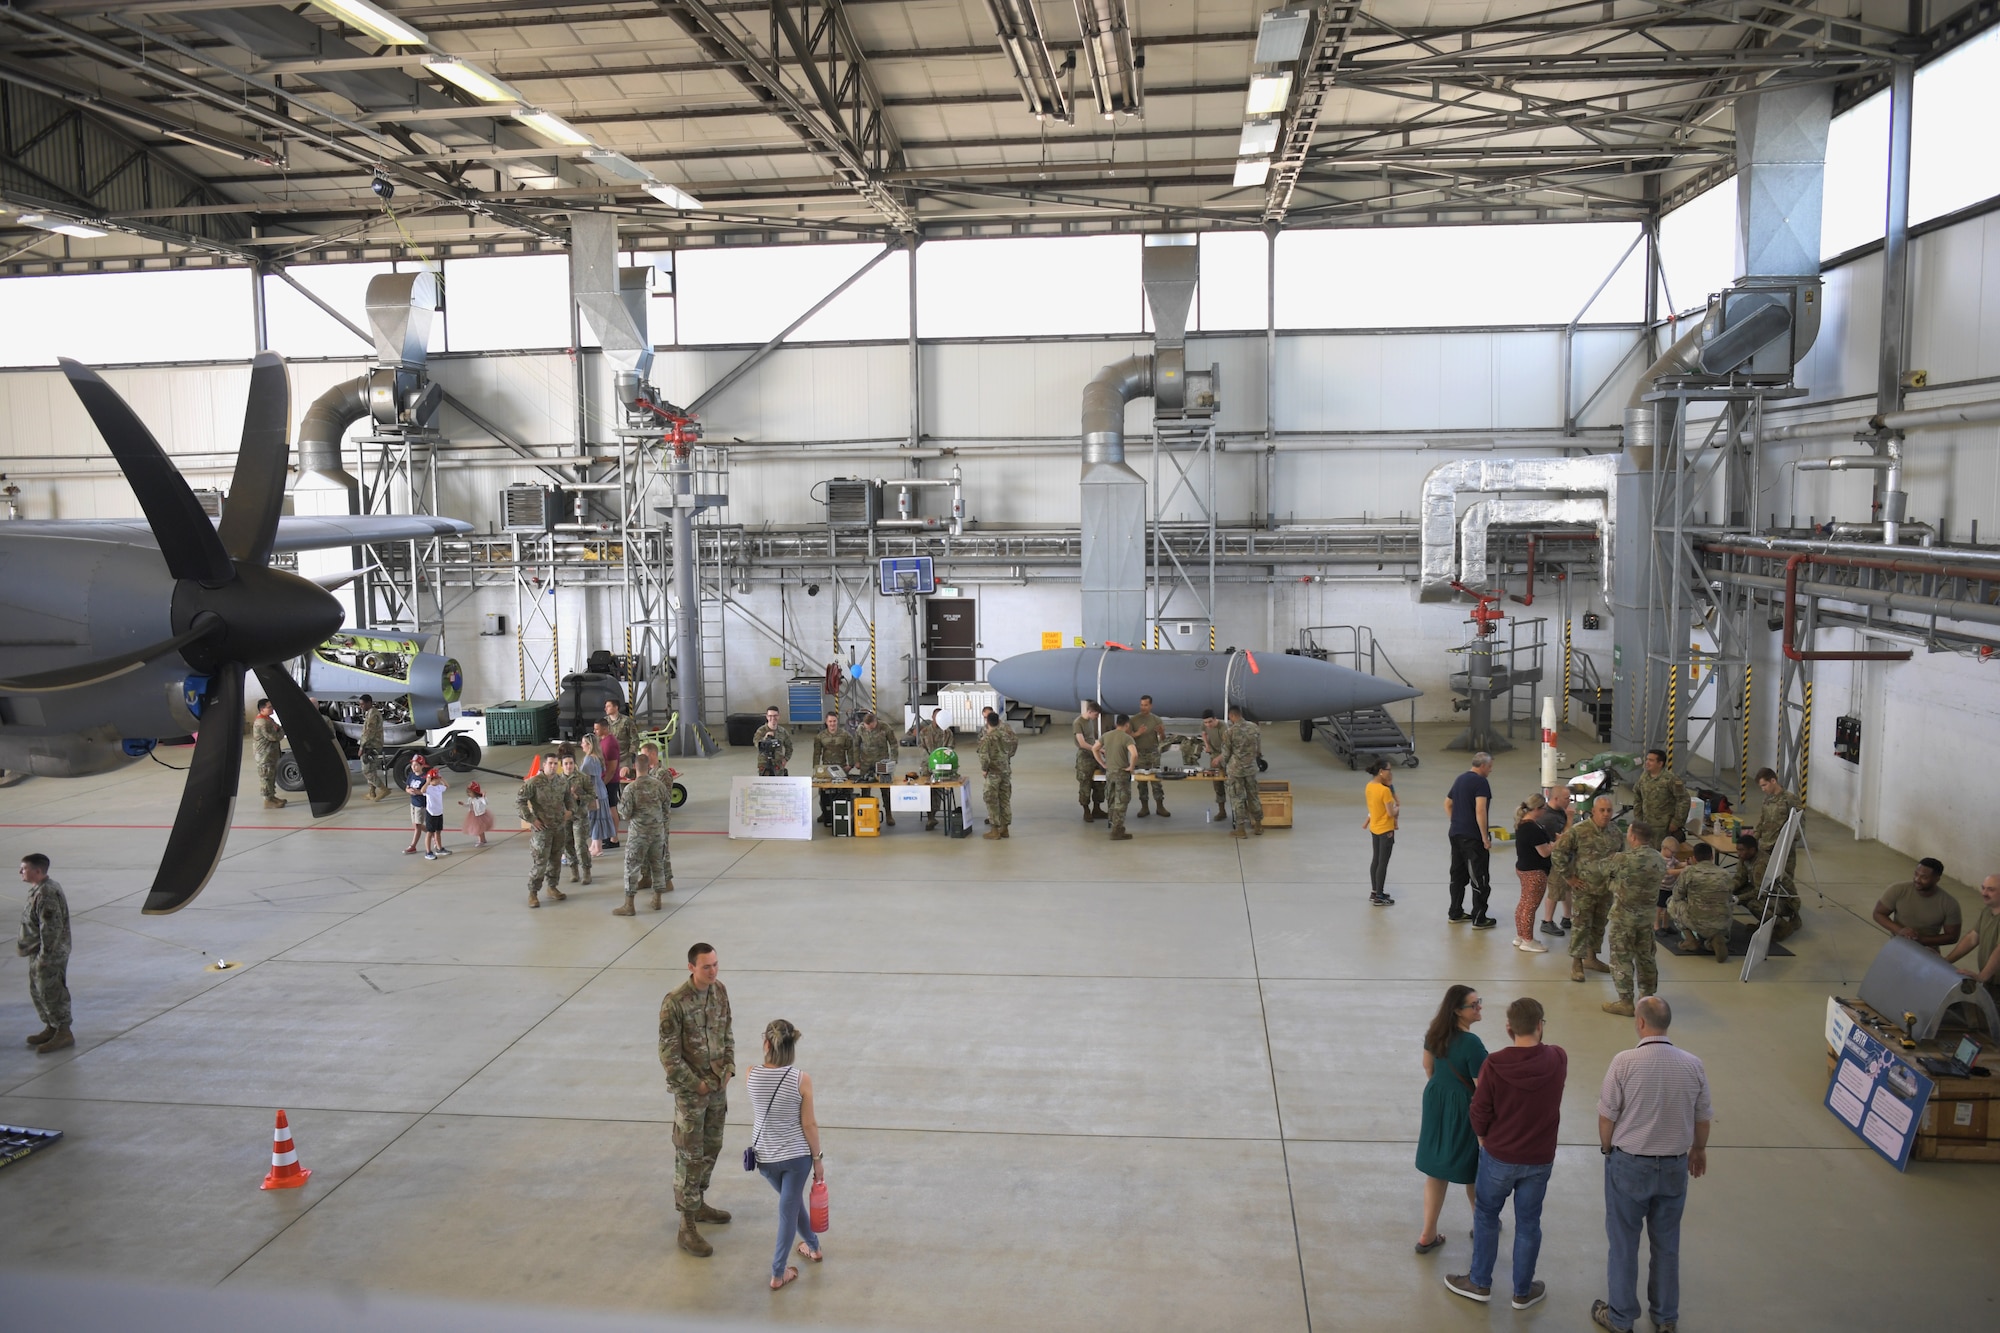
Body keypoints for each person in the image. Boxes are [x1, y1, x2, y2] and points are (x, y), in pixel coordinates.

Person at [1592, 996, 1712, 1333]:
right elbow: (1702, 1118)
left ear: (1640, 1023)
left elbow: (1606, 1116)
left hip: (1629, 1164)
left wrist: (1607, 1150)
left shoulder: (1624, 1062)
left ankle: (1620, 1319)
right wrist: (1698, 1150)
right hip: (1674, 1167)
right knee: (1667, 1244)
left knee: (1624, 1244)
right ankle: (1664, 1319)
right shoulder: (1693, 1064)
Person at [1448, 996, 1566, 1310]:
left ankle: (1479, 1282)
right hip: (1539, 1159)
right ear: (1541, 1026)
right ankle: (1522, 1291)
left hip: (1499, 1155)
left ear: (1508, 1028)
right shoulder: (1557, 1058)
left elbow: (1480, 1111)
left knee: (1486, 1216)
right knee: (1529, 1223)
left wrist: (1484, 1139)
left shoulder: (1495, 1064)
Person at [659, 942, 734, 1257]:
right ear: (691, 967)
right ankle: (686, 1225)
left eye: (716, 964)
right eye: (707, 966)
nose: (713, 971)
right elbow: (669, 1056)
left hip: (717, 1088)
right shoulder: (675, 1003)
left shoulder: (719, 992)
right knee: (689, 1156)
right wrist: (697, 1085)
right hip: (692, 1095)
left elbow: (727, 1032)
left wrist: (728, 1068)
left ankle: (699, 1202)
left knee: (711, 1148)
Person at [745, 1018, 825, 1291]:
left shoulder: (750, 1075)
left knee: (791, 1206)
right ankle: (778, 1274)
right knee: (789, 1210)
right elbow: (809, 1124)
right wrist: (818, 1160)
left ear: (766, 1043)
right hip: (796, 1159)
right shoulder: (801, 1079)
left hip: (765, 1159)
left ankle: (813, 1248)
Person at [1415, 985, 1487, 1254]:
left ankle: (1427, 1233)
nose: (1479, 1007)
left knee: (1436, 1169)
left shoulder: (1435, 1034)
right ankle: (1482, 1225)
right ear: (1457, 1011)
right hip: (1464, 1106)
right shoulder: (1472, 1044)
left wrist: (1442, 1092)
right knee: (1474, 1168)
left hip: (1435, 1100)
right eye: (1473, 1004)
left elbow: (1428, 1067)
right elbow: (1483, 1088)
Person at [1582, 822, 1667, 1018]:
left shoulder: (1622, 859)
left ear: (1633, 838)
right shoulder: (1659, 859)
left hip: (1623, 919)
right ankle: (1647, 997)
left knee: (1621, 959)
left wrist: (1613, 882)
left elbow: (1599, 869)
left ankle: (1625, 1002)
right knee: (1646, 957)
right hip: (1646, 919)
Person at [1553, 796, 1624, 982]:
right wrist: (1569, 877)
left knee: (1599, 924)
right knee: (1581, 925)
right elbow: (1558, 853)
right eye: (1602, 810)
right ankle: (1577, 962)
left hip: (1606, 889)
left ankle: (1592, 958)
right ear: (1593, 811)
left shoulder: (1616, 833)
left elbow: (1621, 859)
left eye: (1609, 810)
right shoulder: (1579, 831)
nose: (1606, 814)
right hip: (1584, 888)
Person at [16, 853, 72, 1054]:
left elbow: (50, 929)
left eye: (24, 868)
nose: (21, 872)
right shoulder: (39, 890)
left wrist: (45, 958)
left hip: (49, 954)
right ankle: (52, 1026)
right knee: (39, 991)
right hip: (39, 952)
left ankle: (63, 1031)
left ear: (37, 871)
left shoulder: (47, 893)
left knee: (52, 991)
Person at [1444, 753, 1496, 927]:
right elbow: (1481, 810)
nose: (1490, 770)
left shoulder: (1460, 779)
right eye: (1490, 767)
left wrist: (1456, 821)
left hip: (1456, 834)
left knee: (1457, 875)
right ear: (1482, 766)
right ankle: (1479, 917)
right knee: (1479, 877)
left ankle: (1455, 912)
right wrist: (1484, 837)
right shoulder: (1481, 782)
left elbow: (1447, 803)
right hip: (1472, 838)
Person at [616, 757, 674, 914]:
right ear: (649, 767)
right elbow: (666, 806)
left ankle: (629, 905)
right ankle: (657, 899)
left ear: (635, 767)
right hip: (657, 833)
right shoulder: (659, 785)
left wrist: (619, 805)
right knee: (657, 865)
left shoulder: (631, 788)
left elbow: (625, 814)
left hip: (638, 834)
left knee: (632, 867)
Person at [516, 756, 571, 908]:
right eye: (550, 763)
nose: (553, 766)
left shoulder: (561, 781)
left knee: (556, 859)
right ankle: (533, 893)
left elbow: (568, 798)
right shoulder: (534, 782)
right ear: (544, 765)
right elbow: (520, 802)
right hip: (542, 830)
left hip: (559, 828)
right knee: (540, 861)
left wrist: (570, 811)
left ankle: (552, 887)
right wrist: (532, 819)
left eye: (555, 764)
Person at [1873, 857, 1962, 951]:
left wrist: (1922, 940)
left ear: (1937, 879)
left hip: (1928, 952)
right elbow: (1878, 913)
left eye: (1924, 877)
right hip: (1898, 947)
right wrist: (1899, 930)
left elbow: (1952, 936)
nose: (1917, 879)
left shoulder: (1949, 904)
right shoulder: (1897, 890)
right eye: (1916, 874)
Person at [1667, 842, 1734, 962]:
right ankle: (1715, 938)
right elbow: (1730, 897)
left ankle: (1690, 940)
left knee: (1672, 903)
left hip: (1698, 921)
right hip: (1722, 921)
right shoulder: (1725, 874)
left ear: (1694, 858)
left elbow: (1677, 895)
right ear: (1712, 856)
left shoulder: (1689, 872)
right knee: (1728, 904)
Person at [1945, 874, 2000, 1003]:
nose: (1984, 893)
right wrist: (1946, 961)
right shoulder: (1988, 911)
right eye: (1983, 888)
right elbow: (1972, 938)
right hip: (1991, 982)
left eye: (1991, 890)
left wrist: (1982, 976)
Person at [1512, 795, 1555, 953]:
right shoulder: (1532, 828)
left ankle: (1520, 935)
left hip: (1523, 868)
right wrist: (1556, 845)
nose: (1545, 811)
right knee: (1530, 906)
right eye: (1543, 808)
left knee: (1524, 903)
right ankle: (1528, 940)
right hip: (1534, 872)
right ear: (1536, 809)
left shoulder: (1523, 823)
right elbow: (1544, 853)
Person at [550, 753, 596, 884]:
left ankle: (586, 871)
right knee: (567, 845)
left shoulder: (582, 778)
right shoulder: (557, 780)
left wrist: (578, 797)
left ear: (574, 764)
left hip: (579, 816)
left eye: (571, 763)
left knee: (580, 845)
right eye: (566, 764)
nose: (568, 766)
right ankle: (574, 870)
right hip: (565, 817)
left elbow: (592, 795)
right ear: (562, 765)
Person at [1219, 704, 1263, 838]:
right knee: (1253, 796)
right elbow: (1258, 750)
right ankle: (1258, 826)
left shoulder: (1230, 732)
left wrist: (1222, 765)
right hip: (1251, 768)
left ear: (1231, 716)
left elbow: (1226, 754)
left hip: (1236, 770)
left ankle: (1241, 829)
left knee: (1237, 798)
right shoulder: (1254, 728)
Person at [1631, 749, 1688, 849]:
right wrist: (1638, 817)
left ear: (1660, 763)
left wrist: (1677, 822)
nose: (1647, 762)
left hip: (1664, 828)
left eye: (1651, 760)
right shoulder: (1644, 777)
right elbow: (1637, 796)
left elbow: (1683, 800)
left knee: (1662, 856)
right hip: (1646, 827)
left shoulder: (1671, 779)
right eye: (1647, 759)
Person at [977, 709, 1017, 839]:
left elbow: (984, 757)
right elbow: (1012, 747)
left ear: (987, 722)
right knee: (1004, 799)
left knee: (991, 799)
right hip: (1005, 771)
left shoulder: (987, 738)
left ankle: (994, 830)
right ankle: (1005, 829)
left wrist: (984, 769)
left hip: (993, 773)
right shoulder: (1005, 735)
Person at [1363, 759, 1399, 906]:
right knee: (1383, 863)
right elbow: (1391, 812)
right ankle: (1379, 895)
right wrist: (1398, 809)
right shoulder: (1385, 791)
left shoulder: (1369, 787)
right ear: (1381, 772)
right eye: (1388, 770)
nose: (1390, 772)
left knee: (1376, 860)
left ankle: (1375, 891)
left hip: (1375, 828)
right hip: (1386, 830)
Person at [811, 713, 857, 828]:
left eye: (834, 721)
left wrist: (850, 765)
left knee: (844, 791)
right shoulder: (820, 736)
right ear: (826, 722)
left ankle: (845, 812)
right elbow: (817, 753)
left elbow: (851, 750)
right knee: (824, 793)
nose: (832, 724)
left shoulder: (845, 735)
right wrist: (816, 769)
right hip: (826, 769)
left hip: (841, 768)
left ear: (837, 721)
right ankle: (825, 813)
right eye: (830, 721)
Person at [911, 707, 954, 829]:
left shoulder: (947, 732)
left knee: (938, 791)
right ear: (933, 718)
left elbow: (950, 748)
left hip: (943, 766)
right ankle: (929, 817)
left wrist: (942, 759)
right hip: (927, 766)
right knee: (927, 790)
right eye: (936, 717)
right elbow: (921, 747)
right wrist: (931, 760)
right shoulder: (924, 732)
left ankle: (933, 814)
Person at [1130, 694, 1170, 818]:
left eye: (1146, 705)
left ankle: (1160, 806)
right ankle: (1144, 807)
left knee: (1156, 780)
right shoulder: (1134, 720)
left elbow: (1163, 739)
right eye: (1141, 705)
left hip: (1153, 752)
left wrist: (1162, 732)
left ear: (1151, 706)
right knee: (1141, 781)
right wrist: (1138, 733)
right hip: (1139, 753)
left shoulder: (1156, 720)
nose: (1143, 707)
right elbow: (1128, 736)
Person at [854, 712, 897, 826]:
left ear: (875, 722)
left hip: (882, 762)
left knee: (885, 789)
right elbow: (856, 744)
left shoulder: (885, 727)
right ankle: (866, 815)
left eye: (871, 727)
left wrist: (893, 760)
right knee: (865, 789)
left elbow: (893, 744)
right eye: (867, 727)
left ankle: (888, 814)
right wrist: (856, 760)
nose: (869, 729)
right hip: (866, 762)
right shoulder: (861, 729)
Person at [1100, 713, 1138, 841]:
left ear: (1117, 724)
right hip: (1122, 773)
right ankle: (1117, 831)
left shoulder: (1106, 735)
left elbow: (1095, 748)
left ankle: (1113, 825)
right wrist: (1131, 768)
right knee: (1121, 801)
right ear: (1127, 725)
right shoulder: (1127, 738)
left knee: (1111, 798)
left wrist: (1102, 763)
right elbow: (1134, 754)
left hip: (1110, 773)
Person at [1073, 700, 1107, 823]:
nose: (1096, 717)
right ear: (1090, 712)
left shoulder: (1090, 722)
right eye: (1096, 715)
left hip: (1094, 754)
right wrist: (1098, 749)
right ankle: (1086, 810)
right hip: (1085, 757)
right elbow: (1082, 743)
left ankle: (1097, 809)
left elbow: (1092, 739)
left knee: (1099, 783)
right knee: (1085, 784)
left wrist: (1099, 748)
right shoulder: (1078, 723)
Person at [252, 698, 286, 810]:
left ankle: (272, 797)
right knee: (266, 777)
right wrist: (282, 732)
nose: (272, 709)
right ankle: (267, 800)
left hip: (271, 754)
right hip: (264, 756)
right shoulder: (262, 722)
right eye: (269, 707)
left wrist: (280, 730)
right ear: (262, 709)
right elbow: (274, 736)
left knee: (271, 776)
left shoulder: (269, 719)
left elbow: (278, 728)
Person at [596, 720, 623, 846]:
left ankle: (614, 838)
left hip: (610, 781)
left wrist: (603, 783)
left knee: (612, 808)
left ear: (605, 729)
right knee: (607, 810)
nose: (595, 731)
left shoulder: (610, 743)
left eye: (597, 729)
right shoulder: (603, 741)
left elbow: (612, 768)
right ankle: (609, 835)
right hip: (605, 780)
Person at [1200, 708, 1228, 822]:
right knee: (1217, 784)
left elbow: (1228, 748)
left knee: (1233, 784)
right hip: (1215, 755)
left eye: (1210, 722)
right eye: (1205, 722)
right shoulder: (1205, 725)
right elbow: (1203, 733)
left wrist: (1219, 758)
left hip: (1226, 756)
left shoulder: (1223, 728)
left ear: (1215, 719)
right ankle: (1222, 811)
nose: (1208, 724)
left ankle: (1242, 811)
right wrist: (1207, 745)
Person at [359, 694, 388, 801]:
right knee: (371, 768)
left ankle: (383, 789)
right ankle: (372, 793)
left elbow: (369, 732)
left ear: (369, 703)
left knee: (366, 770)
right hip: (372, 744)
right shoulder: (370, 713)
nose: (361, 706)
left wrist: (362, 746)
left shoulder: (373, 714)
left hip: (371, 745)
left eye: (362, 704)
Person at [402, 751, 430, 855]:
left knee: (417, 826)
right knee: (415, 824)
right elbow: (407, 787)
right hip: (413, 804)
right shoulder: (411, 775)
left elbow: (427, 792)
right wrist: (409, 791)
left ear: (422, 766)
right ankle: (431, 833)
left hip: (421, 805)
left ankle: (413, 846)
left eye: (416, 765)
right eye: (412, 765)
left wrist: (418, 792)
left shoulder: (425, 778)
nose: (413, 767)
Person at [754, 706, 793, 777]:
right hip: (764, 764)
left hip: (778, 764)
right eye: (770, 716)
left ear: (779, 716)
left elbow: (789, 747)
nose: (773, 718)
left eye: (775, 716)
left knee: (779, 785)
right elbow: (757, 744)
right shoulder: (761, 731)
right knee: (764, 785)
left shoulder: (783, 731)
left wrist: (786, 759)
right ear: (767, 717)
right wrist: (765, 738)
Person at [422, 767, 450, 859]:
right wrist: (427, 781)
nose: (438, 780)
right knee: (430, 832)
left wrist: (442, 779)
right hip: (431, 813)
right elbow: (422, 791)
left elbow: (447, 786)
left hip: (439, 812)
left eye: (439, 778)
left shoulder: (439, 787)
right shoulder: (429, 788)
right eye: (437, 779)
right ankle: (428, 851)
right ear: (431, 779)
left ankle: (439, 848)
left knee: (438, 831)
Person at [607, 698, 641, 771]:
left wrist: (631, 754)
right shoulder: (604, 722)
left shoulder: (626, 721)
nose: (605, 708)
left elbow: (635, 739)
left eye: (608, 706)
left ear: (616, 707)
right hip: (608, 758)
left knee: (625, 779)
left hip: (624, 759)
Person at [459, 781, 493, 847]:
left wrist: (483, 796)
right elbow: (469, 805)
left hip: (480, 815)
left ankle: (481, 840)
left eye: (470, 792)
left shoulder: (479, 799)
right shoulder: (470, 799)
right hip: (473, 815)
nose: (468, 794)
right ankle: (483, 839)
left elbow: (486, 803)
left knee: (479, 829)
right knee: (479, 829)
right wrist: (463, 804)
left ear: (475, 792)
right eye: (468, 792)